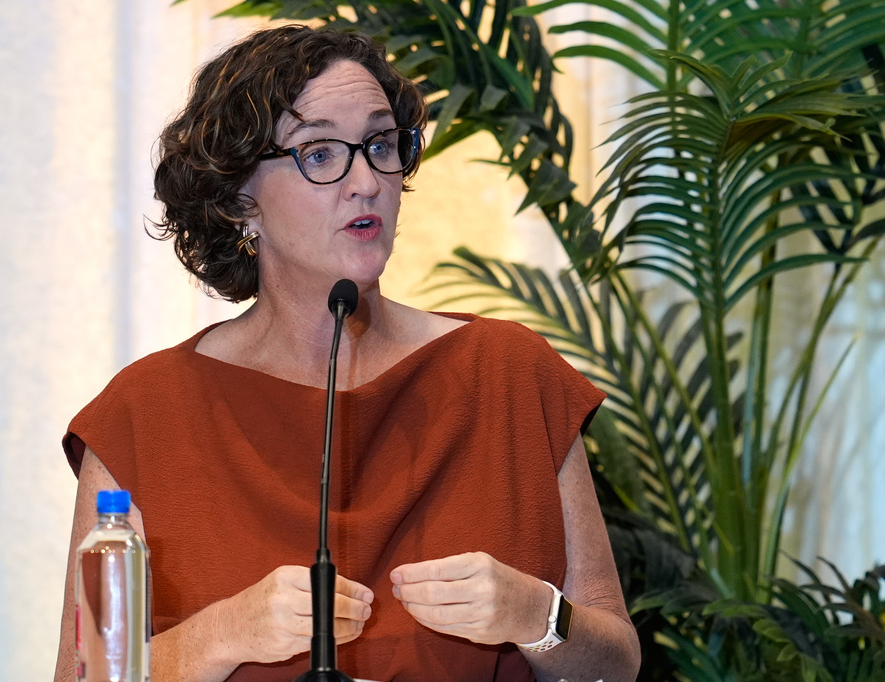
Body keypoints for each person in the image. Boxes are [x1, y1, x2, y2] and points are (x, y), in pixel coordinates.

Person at [53, 24, 641, 682]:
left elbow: (614, 664)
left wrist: (537, 613)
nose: (366, 181)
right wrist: (223, 635)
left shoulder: (510, 375)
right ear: (238, 196)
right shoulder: (145, 413)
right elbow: (83, 676)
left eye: (381, 145)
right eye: (321, 152)